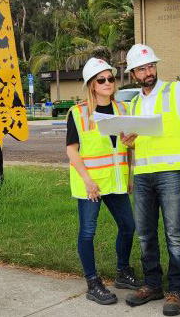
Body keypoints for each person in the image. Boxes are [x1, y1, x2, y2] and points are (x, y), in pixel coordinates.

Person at [120, 44, 180, 316]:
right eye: (142, 68)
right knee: (146, 235)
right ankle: (152, 285)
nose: (148, 71)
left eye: (151, 66)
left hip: (171, 174)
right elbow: (132, 142)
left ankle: (176, 291)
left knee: (174, 234)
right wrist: (128, 143)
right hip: (142, 176)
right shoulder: (135, 103)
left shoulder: (174, 90)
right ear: (133, 74)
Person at [66, 57, 142, 305]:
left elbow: (127, 147)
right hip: (91, 184)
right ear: (92, 84)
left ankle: (122, 271)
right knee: (88, 232)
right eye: (102, 79)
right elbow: (72, 151)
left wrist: (129, 175)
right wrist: (87, 180)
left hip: (116, 181)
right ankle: (92, 282)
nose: (108, 82)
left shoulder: (122, 109)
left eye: (111, 78)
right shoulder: (77, 113)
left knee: (128, 226)